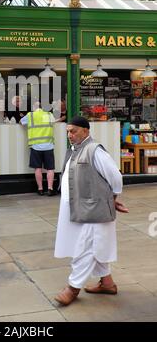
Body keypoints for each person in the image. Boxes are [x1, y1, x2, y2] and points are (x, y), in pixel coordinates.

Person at [54, 116, 129, 306]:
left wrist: (113, 199)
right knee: (95, 245)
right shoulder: (74, 150)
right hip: (80, 208)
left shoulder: (95, 151)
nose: (70, 135)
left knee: (86, 248)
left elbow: (115, 177)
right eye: (68, 132)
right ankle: (107, 283)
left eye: (74, 131)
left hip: (94, 210)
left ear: (86, 131)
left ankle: (73, 287)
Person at [20, 101, 56, 196]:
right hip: (48, 145)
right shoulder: (48, 114)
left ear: (34, 107)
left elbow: (21, 122)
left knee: (38, 168)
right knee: (50, 168)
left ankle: (40, 189)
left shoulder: (30, 115)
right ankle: (50, 189)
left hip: (36, 146)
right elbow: (54, 122)